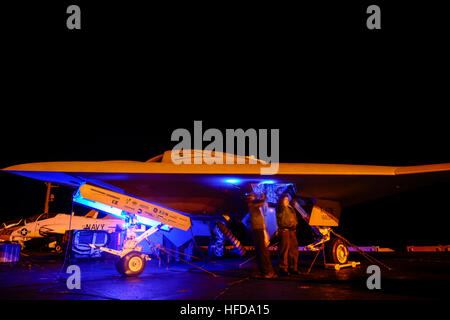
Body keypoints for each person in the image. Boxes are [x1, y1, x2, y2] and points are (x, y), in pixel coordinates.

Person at [246, 193, 277, 279]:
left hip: (258, 229)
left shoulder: (253, 205)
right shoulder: (252, 204)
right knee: (263, 251)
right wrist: (263, 198)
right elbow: (261, 203)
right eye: (253, 196)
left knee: (261, 251)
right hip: (258, 230)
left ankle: (263, 271)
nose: (255, 197)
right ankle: (267, 272)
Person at [276, 193, 299, 276]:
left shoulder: (290, 208)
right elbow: (280, 200)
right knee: (284, 250)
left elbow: (293, 200)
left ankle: (293, 268)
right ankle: (283, 268)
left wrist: (294, 193)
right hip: (284, 231)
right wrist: (284, 192)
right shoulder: (280, 208)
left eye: (287, 199)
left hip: (292, 231)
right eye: (284, 199)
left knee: (293, 250)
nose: (286, 200)